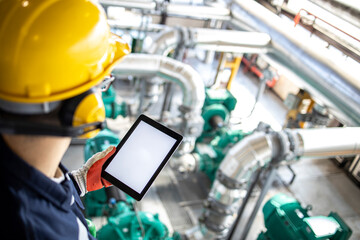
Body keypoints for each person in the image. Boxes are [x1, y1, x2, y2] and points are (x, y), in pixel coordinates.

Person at [0, 0, 130, 239]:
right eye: (102, 83)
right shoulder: (41, 231)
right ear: (87, 107)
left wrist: (78, 181)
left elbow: (38, 190)